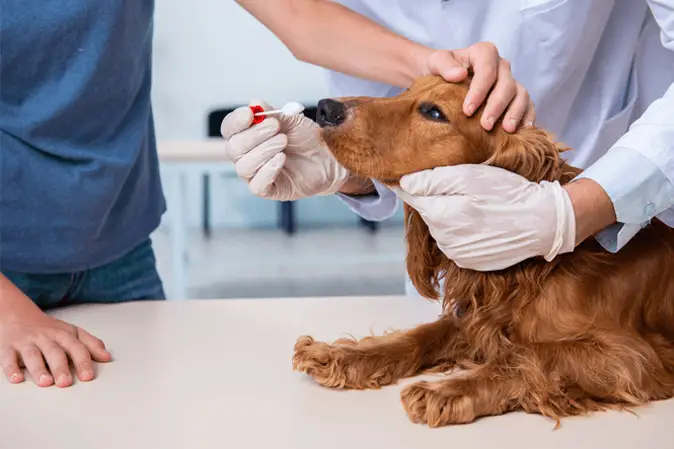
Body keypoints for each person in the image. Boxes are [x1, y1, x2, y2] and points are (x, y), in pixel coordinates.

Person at [0, 3, 523, 388]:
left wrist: (431, 66)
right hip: (8, 271)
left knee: (139, 412)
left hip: (119, 245)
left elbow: (296, 14)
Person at [223, 0, 674, 292]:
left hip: (633, 230)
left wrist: (581, 206)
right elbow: (298, 17)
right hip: (455, 259)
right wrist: (352, 162)